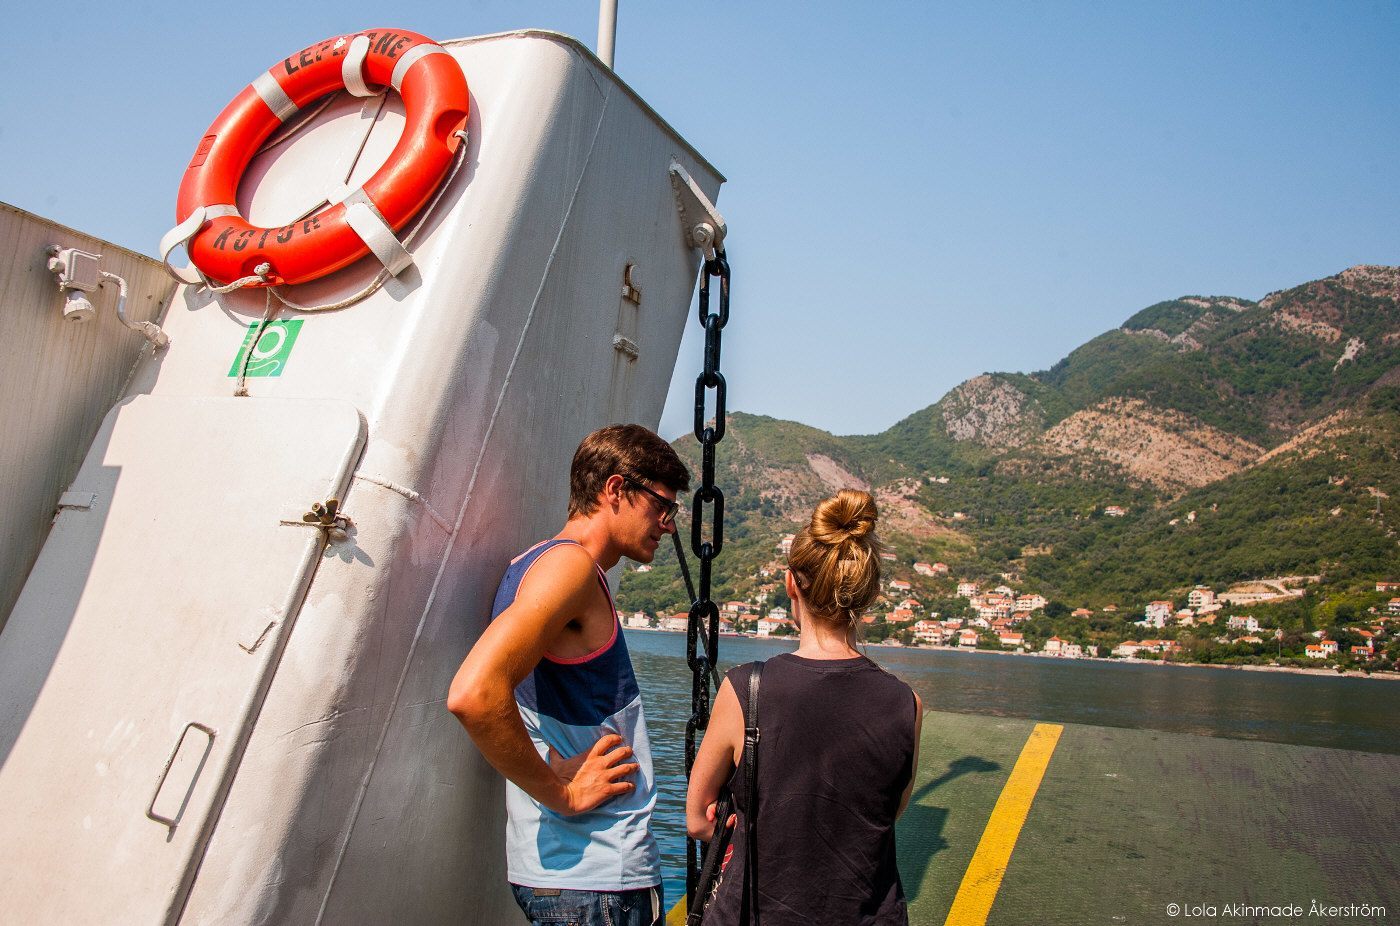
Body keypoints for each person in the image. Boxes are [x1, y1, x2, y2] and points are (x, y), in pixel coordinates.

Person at [448, 424, 690, 926]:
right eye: (661, 506)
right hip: (596, 877)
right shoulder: (570, 570)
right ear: (616, 490)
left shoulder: (529, 565)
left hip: (563, 873)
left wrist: (551, 770)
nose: (668, 525)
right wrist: (562, 792)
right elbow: (474, 694)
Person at [685, 489, 923, 925]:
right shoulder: (906, 703)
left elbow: (699, 817)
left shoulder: (745, 690)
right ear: (868, 595)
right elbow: (888, 810)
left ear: (791, 582)